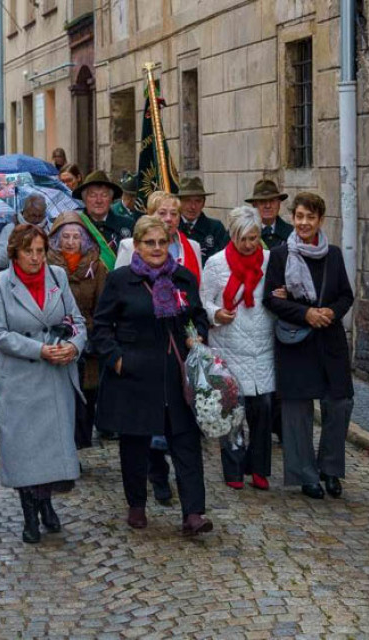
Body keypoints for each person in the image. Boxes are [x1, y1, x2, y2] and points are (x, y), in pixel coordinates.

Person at [92, 215, 213, 534]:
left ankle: (193, 513)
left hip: (176, 375)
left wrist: (197, 335)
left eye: (163, 242)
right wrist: (117, 359)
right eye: (150, 242)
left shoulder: (183, 278)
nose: (157, 248)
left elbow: (198, 316)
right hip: (134, 374)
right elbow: (101, 327)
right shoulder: (120, 280)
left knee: (186, 443)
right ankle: (136, 504)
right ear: (137, 245)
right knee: (135, 445)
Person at [0, 224, 86, 543]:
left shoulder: (56, 276)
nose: (35, 257)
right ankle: (29, 512)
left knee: (51, 448)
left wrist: (74, 346)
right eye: (28, 251)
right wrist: (39, 350)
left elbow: (77, 321)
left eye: (40, 251)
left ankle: (46, 503)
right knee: (25, 449)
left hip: (56, 375)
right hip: (22, 375)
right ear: (15, 253)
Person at [263, 192, 354, 500]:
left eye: (310, 217)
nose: (304, 223)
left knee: (339, 404)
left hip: (330, 341)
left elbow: (345, 295)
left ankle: (330, 468)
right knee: (297, 410)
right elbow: (270, 299)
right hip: (296, 342)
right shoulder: (279, 256)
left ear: (320, 221)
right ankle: (305, 474)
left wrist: (331, 311)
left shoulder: (334, 254)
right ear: (293, 219)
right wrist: (305, 313)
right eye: (299, 216)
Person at [199, 206, 275, 490]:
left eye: (253, 238)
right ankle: (233, 468)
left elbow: (277, 294)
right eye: (242, 238)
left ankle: (259, 468)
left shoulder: (269, 261)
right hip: (228, 344)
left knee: (263, 408)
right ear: (232, 236)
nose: (248, 244)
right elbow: (203, 301)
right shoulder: (216, 264)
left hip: (262, 345)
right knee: (232, 410)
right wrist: (216, 313)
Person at [46, 212, 109, 449]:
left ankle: (80, 441)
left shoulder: (97, 266)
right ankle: (63, 445)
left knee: (86, 394)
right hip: (57, 338)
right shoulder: (47, 265)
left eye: (76, 236)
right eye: (66, 237)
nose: (71, 241)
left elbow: (103, 302)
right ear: (57, 240)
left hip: (88, 338)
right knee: (61, 395)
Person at [115, 191, 202, 281]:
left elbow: (199, 289)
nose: (169, 219)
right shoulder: (130, 246)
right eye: (162, 213)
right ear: (150, 216)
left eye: (174, 214)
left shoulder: (193, 246)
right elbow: (119, 283)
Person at [73, 171, 134, 267]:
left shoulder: (128, 225)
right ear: (84, 199)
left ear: (111, 199)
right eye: (93, 195)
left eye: (104, 195)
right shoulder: (75, 226)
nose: (99, 201)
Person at [178, 176, 230, 264]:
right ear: (179, 202)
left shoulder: (216, 229)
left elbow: (225, 260)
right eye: (187, 201)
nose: (192, 206)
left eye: (198, 201)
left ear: (204, 203)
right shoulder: (172, 228)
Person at [0, 194, 50, 270]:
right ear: (25, 212)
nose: (37, 219)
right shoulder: (10, 229)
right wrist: (13, 241)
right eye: (33, 215)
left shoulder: (50, 229)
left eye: (40, 216)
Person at [246, 179, 293, 249]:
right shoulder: (242, 232)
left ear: (279, 203)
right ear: (254, 205)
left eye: (272, 201)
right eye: (262, 201)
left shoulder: (291, 234)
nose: (268, 206)